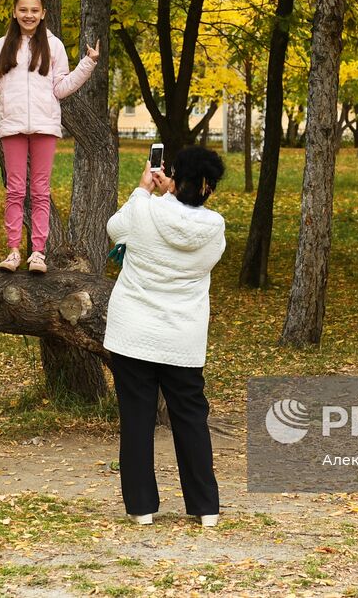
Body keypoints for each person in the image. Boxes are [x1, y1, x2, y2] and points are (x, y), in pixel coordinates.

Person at [103, 146, 226, 527]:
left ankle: (142, 507)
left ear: (173, 178)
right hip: (182, 338)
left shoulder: (145, 211)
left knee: (137, 419)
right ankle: (205, 507)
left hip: (133, 332)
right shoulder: (215, 229)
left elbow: (114, 229)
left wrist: (144, 190)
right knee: (190, 419)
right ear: (209, 189)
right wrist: (171, 194)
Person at [0, 0, 99, 273]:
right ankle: (13, 251)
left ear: (43, 13)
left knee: (40, 191)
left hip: (46, 126)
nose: (29, 15)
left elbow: (61, 87)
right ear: (14, 12)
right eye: (23, 9)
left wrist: (88, 63)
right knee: (15, 190)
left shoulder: (54, 45)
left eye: (35, 10)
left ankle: (37, 253)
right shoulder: (2, 46)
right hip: (12, 126)